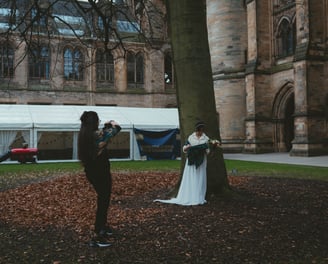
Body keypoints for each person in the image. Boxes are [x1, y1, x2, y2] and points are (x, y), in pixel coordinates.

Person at [78, 111, 121, 247]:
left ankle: (102, 226)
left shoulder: (84, 134)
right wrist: (112, 122)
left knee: (103, 198)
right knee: (103, 200)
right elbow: (116, 129)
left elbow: (104, 133)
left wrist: (106, 125)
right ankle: (98, 234)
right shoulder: (96, 134)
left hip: (92, 171)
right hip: (100, 171)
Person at [154, 121, 219, 206]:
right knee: (192, 177)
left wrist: (213, 147)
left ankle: (198, 196)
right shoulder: (191, 137)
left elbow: (207, 151)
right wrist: (187, 147)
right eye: (199, 130)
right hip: (192, 161)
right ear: (197, 130)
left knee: (200, 178)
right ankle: (190, 195)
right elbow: (184, 148)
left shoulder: (205, 138)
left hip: (201, 161)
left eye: (202, 130)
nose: (201, 132)